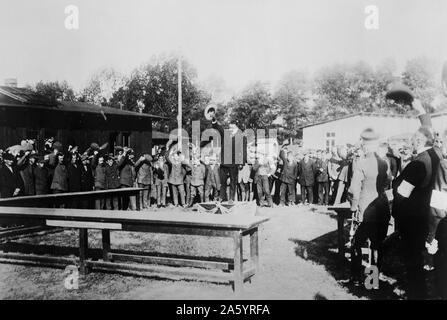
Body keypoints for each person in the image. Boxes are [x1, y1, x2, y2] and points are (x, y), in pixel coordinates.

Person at [392, 99, 442, 299]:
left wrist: (396, 184)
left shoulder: (417, 165)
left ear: (418, 142)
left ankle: (416, 295)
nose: (409, 143)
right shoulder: (436, 154)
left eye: (412, 140)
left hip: (412, 220)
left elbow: (402, 194)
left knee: (412, 264)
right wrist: (421, 112)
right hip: (427, 217)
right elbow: (428, 130)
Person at [348, 128, 391, 285]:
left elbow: (354, 189)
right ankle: (372, 280)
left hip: (366, 209)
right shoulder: (383, 162)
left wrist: (354, 208)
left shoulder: (361, 163)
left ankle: (356, 278)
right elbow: (387, 181)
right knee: (376, 244)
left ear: (365, 145)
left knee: (356, 243)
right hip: (383, 207)